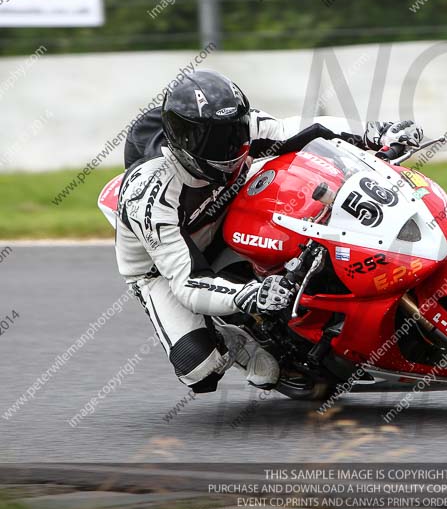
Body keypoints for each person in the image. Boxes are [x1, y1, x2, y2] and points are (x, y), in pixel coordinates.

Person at [115, 70, 423, 394]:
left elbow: (307, 130)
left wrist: (375, 133)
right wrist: (248, 294)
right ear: (183, 143)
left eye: (235, 132)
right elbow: (187, 281)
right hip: (167, 264)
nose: (232, 147)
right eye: (216, 141)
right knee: (199, 368)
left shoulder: (244, 128)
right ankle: (238, 341)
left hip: (230, 206)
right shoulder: (149, 195)